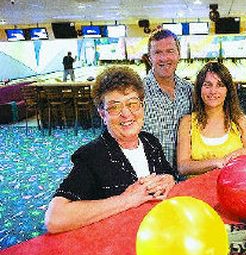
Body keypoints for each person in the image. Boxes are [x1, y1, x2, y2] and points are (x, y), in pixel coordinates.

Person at [45, 66, 176, 233]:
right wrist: (126, 199)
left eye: (133, 104)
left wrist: (169, 180)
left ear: (142, 107)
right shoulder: (91, 156)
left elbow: (168, 174)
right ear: (102, 114)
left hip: (157, 232)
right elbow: (55, 218)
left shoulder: (151, 142)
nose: (126, 114)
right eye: (114, 107)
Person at [177, 61, 246, 177]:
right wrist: (218, 162)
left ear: (228, 90)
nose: (213, 91)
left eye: (220, 85)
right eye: (208, 85)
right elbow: (183, 167)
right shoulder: (187, 122)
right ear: (199, 89)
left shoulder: (240, 121)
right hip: (196, 191)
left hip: (234, 189)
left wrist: (245, 153)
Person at [142, 29, 193, 168]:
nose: (164, 58)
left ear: (179, 55)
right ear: (150, 57)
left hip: (186, 174)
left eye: (170, 51)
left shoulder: (189, 90)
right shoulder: (137, 93)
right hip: (152, 178)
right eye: (158, 52)